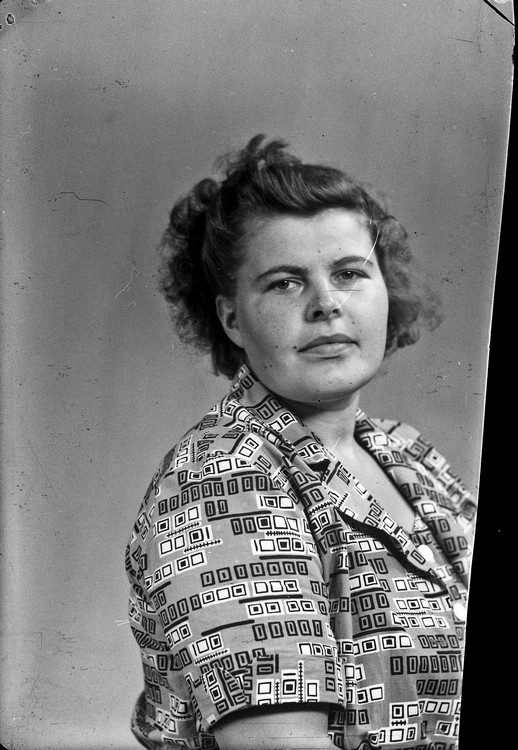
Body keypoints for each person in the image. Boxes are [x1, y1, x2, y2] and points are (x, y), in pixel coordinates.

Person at [126, 135, 477, 750]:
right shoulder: (224, 476)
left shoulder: (412, 458)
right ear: (231, 318)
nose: (326, 305)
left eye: (349, 273)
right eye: (286, 283)